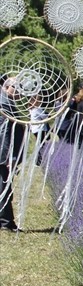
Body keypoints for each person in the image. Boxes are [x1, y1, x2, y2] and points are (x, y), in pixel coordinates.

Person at [0, 77, 28, 232]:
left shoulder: (8, 103)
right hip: (3, 157)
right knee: (3, 187)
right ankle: (6, 222)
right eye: (17, 88)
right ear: (7, 87)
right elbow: (4, 134)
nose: (20, 92)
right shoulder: (4, 105)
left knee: (4, 187)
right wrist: (7, 158)